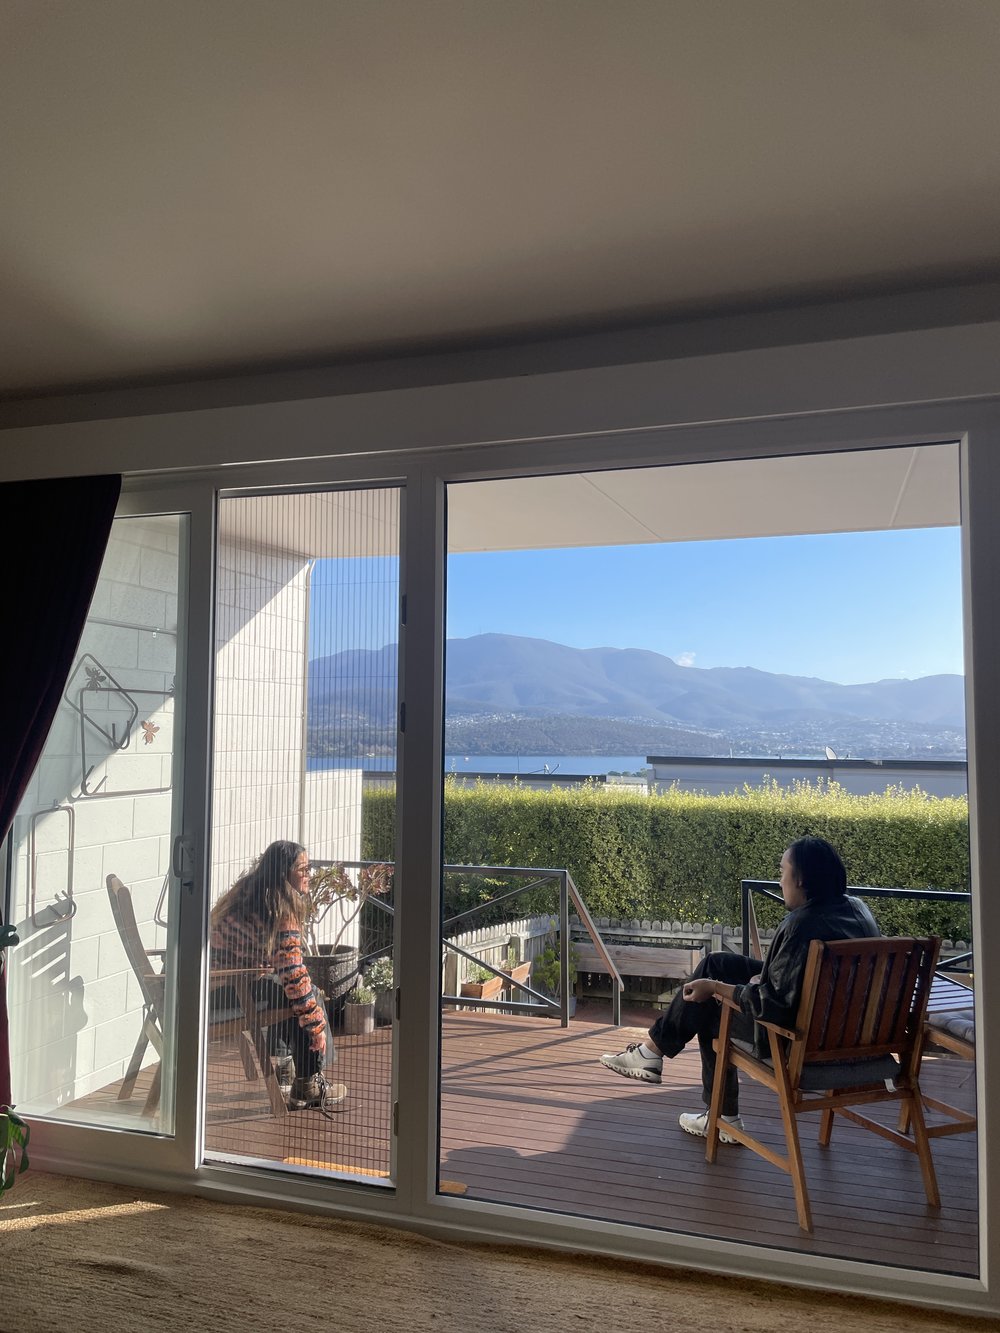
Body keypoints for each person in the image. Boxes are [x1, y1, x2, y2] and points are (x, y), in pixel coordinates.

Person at [599, 836, 879, 1141]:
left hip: (797, 1042)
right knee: (715, 963)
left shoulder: (802, 924)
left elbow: (773, 1006)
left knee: (711, 1005)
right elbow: (807, 980)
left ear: (800, 879)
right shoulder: (857, 909)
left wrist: (717, 989)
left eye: (782, 872)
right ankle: (654, 1054)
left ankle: (719, 1115)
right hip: (842, 1033)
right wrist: (757, 980)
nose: (779, 880)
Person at [210, 840, 343, 1111]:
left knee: (284, 988)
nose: (309, 876)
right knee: (307, 996)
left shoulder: (249, 890)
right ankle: (308, 1084)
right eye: (303, 870)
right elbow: (293, 973)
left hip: (208, 987)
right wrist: (316, 1026)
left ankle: (286, 1068)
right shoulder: (280, 907)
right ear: (285, 873)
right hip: (223, 993)